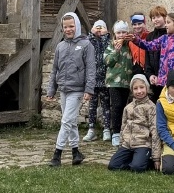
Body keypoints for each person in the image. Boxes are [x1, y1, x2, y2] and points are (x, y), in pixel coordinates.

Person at [44, 11, 94, 167]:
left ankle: (57, 155)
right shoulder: (60, 46)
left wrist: (89, 89)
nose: (68, 29)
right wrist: (51, 90)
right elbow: (55, 70)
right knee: (71, 121)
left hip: (77, 90)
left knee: (65, 121)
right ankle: (76, 152)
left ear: (77, 26)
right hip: (64, 89)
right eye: (65, 27)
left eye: (71, 26)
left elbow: (90, 69)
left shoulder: (86, 45)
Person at [108, 73, 160, 173]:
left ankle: (144, 161)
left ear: (147, 88)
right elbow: (123, 128)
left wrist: (156, 157)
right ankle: (135, 160)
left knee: (137, 168)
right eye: (135, 88)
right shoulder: (128, 107)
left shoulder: (151, 107)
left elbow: (155, 131)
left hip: (143, 144)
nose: (139, 91)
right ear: (132, 90)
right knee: (113, 166)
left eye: (142, 87)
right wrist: (121, 145)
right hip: (127, 144)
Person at [137, 10, 174, 93]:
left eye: (168, 22)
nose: (165, 25)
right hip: (162, 83)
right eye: (165, 22)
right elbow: (149, 46)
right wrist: (135, 40)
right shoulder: (164, 38)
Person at [104, 20, 137, 147]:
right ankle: (115, 133)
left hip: (127, 82)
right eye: (119, 32)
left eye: (124, 32)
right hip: (113, 82)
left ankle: (123, 131)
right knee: (116, 106)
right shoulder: (111, 46)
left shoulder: (130, 45)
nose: (121, 35)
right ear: (115, 34)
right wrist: (116, 52)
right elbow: (107, 62)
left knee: (124, 107)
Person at [84, 19, 111, 142]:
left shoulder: (108, 41)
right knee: (92, 106)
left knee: (106, 105)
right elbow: (85, 43)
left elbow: (108, 48)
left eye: (101, 27)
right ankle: (91, 129)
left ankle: (106, 129)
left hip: (105, 79)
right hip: (92, 80)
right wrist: (92, 34)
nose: (99, 30)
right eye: (97, 27)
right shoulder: (90, 41)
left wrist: (105, 36)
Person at [144, 6, 168, 96]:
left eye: (158, 17)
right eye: (153, 18)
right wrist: (150, 75)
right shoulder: (150, 37)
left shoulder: (169, 35)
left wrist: (162, 77)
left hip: (167, 80)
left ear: (165, 17)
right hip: (154, 80)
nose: (155, 20)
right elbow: (147, 59)